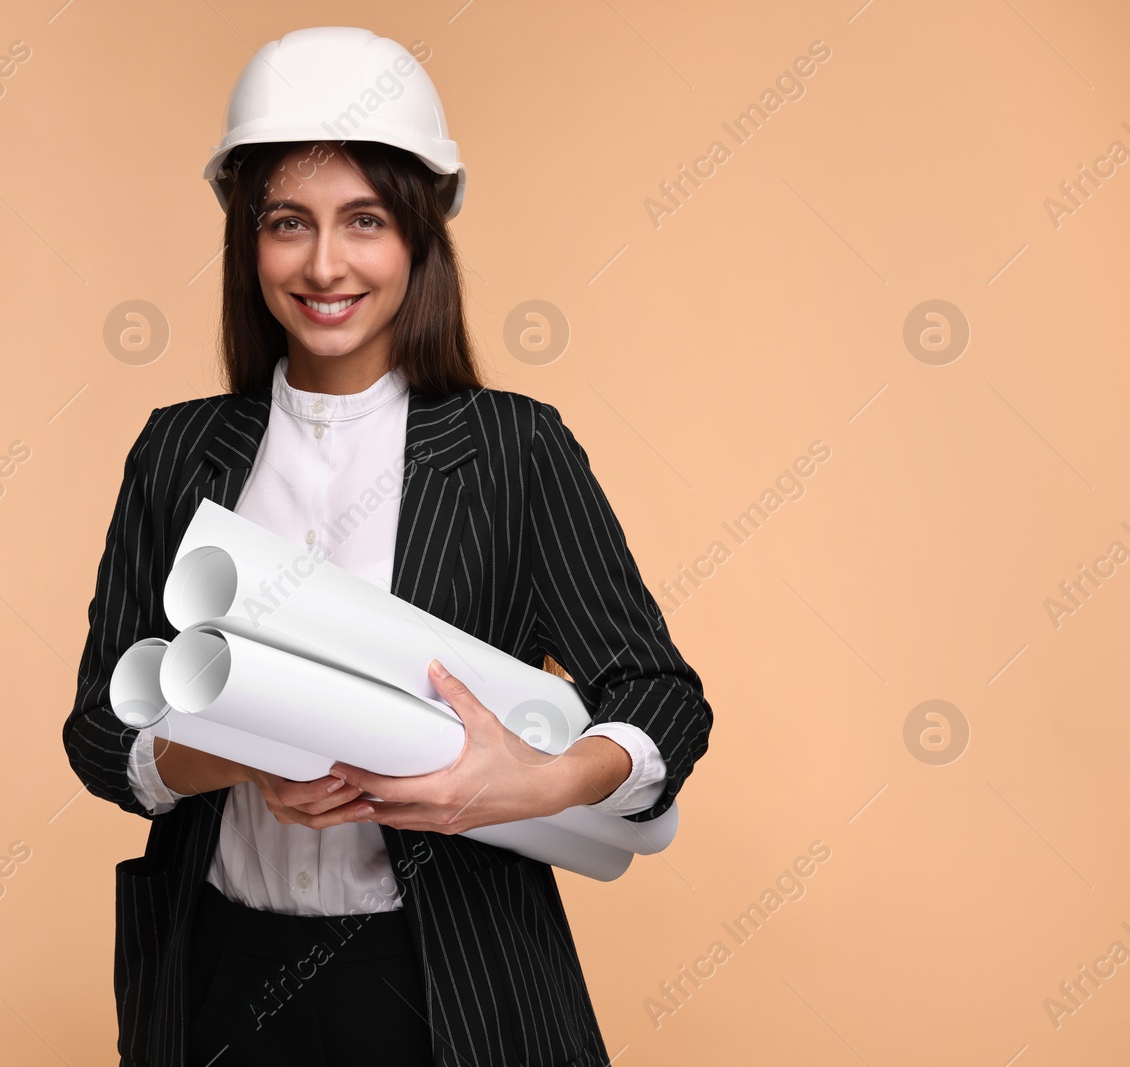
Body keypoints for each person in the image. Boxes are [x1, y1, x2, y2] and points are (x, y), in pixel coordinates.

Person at [64, 26, 713, 1067]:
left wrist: (531, 782)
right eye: (289, 223)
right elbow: (99, 731)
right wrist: (244, 746)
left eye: (363, 220)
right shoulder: (178, 449)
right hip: (220, 971)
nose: (325, 264)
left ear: (416, 237)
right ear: (249, 240)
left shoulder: (512, 449)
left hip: (447, 974)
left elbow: (662, 695)